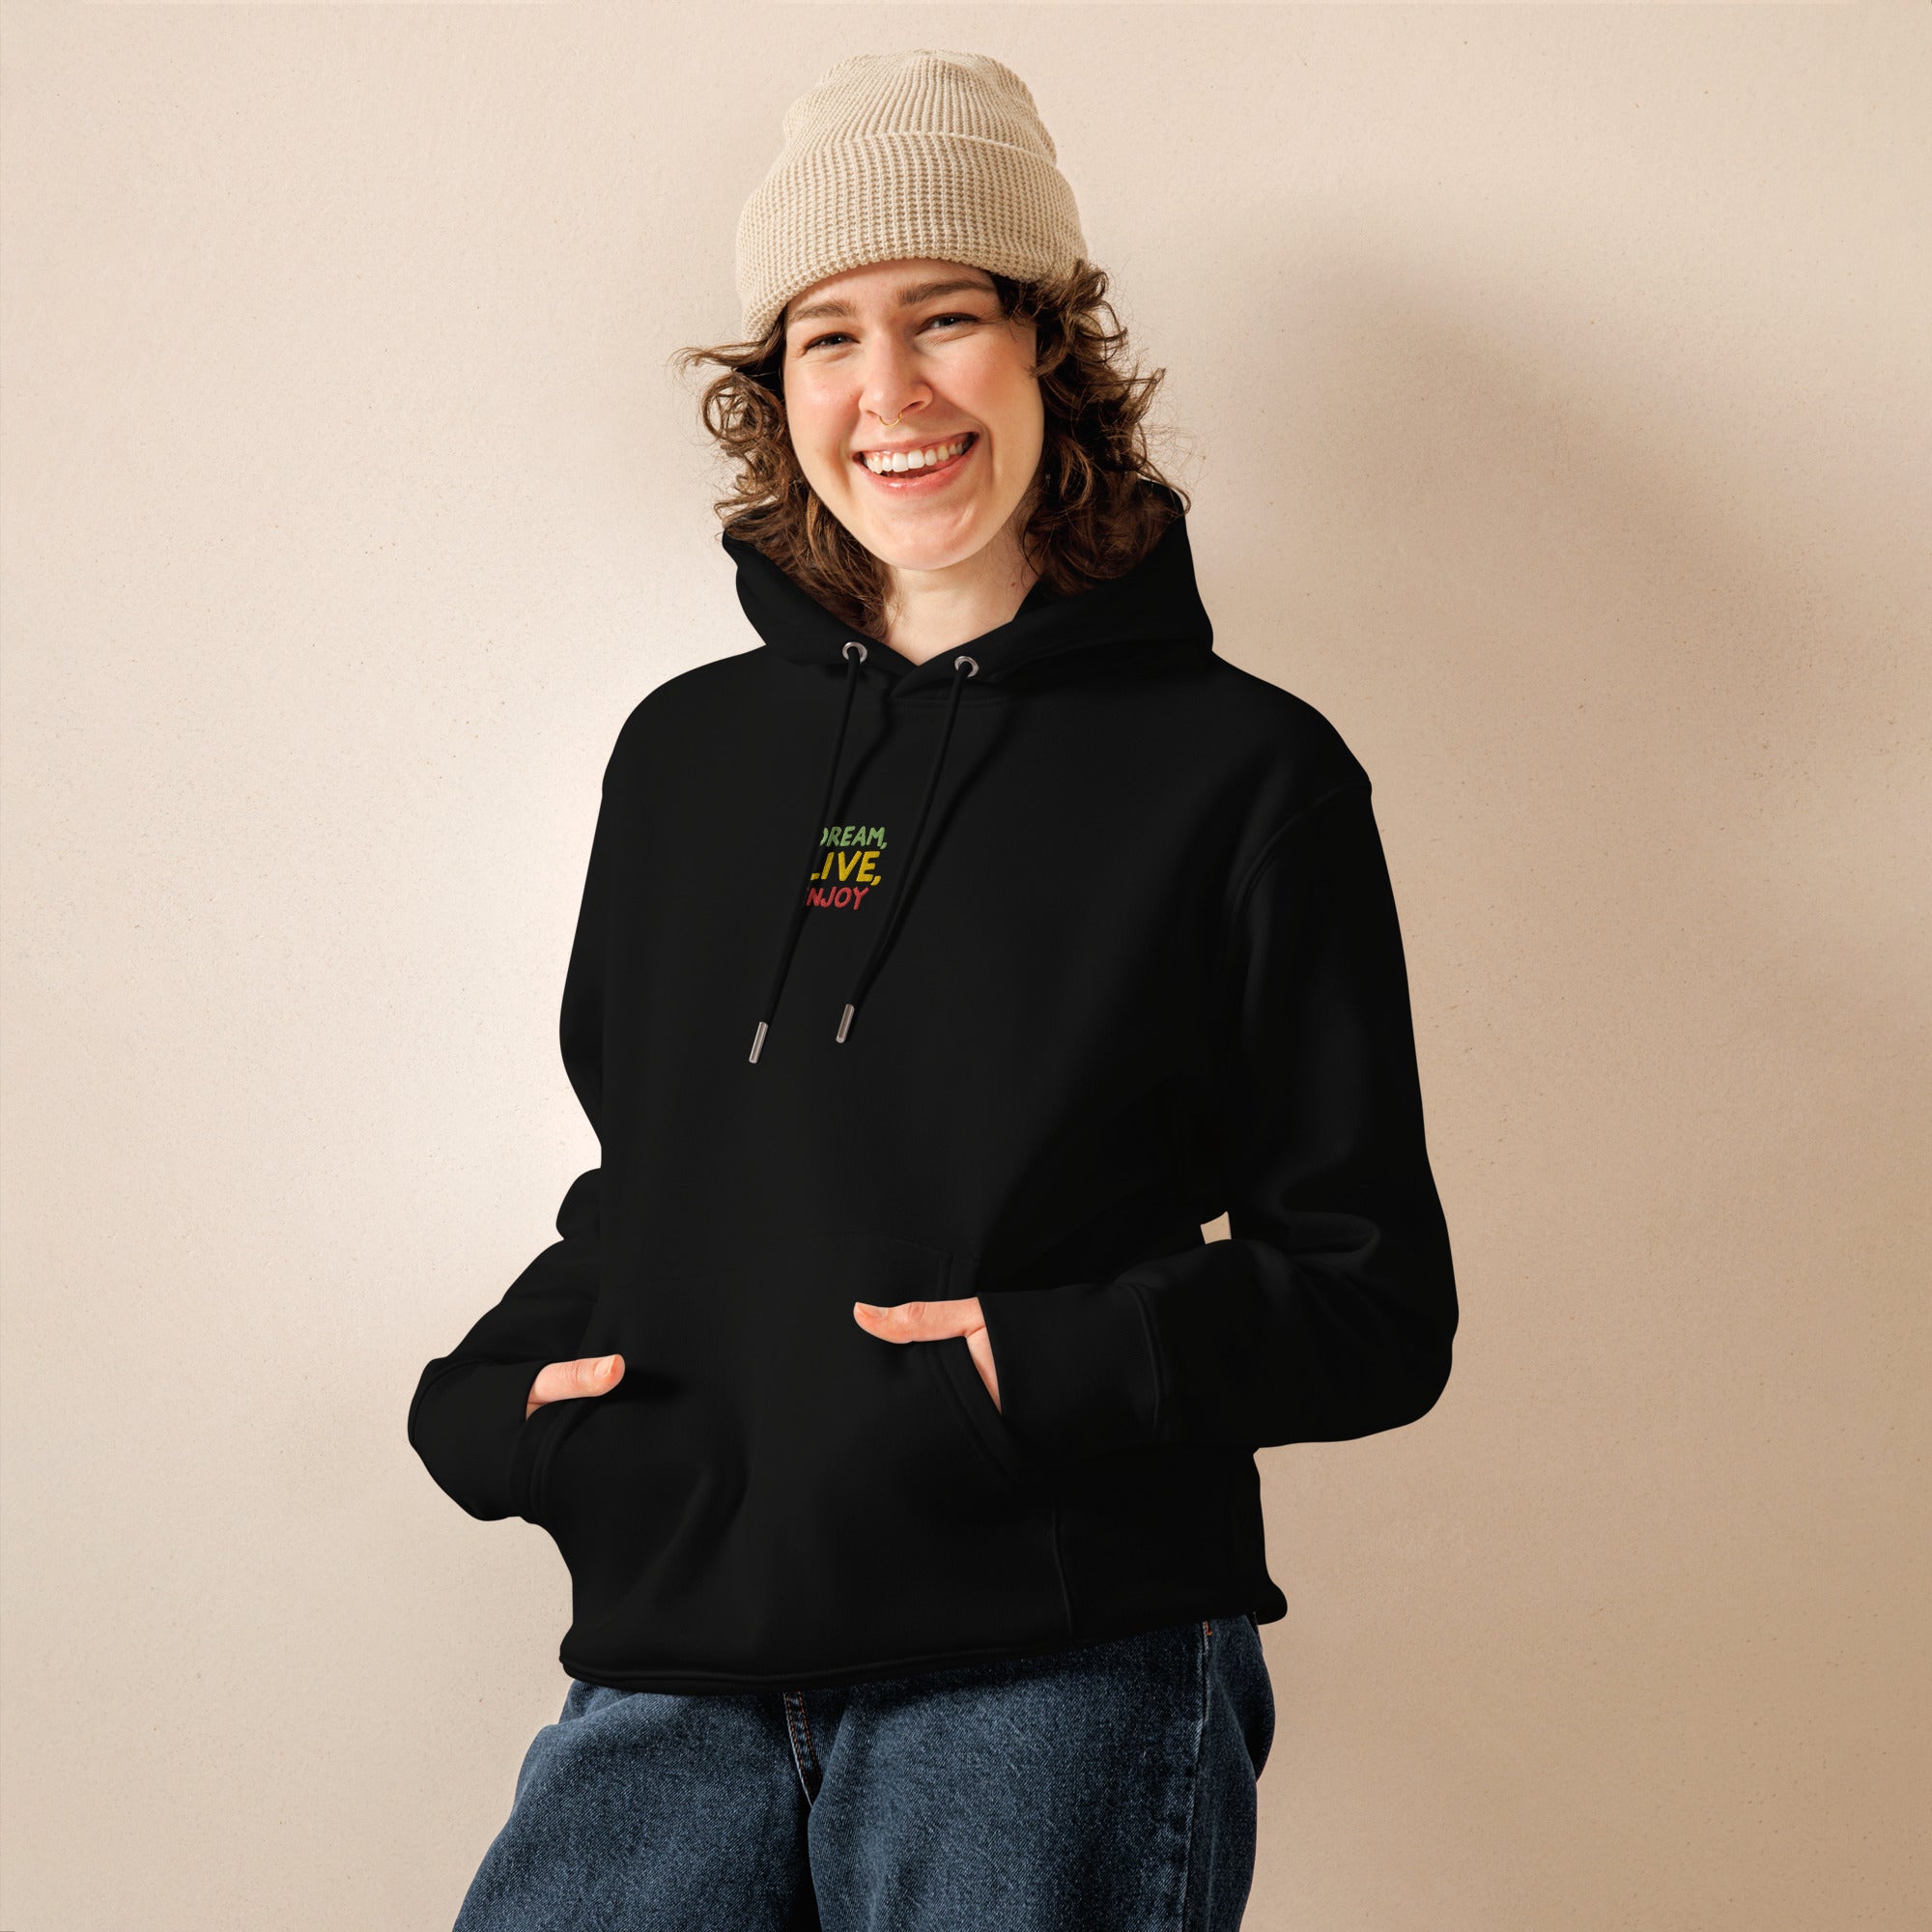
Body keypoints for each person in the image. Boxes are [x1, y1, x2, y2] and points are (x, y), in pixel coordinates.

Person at [408, 46, 1458, 1932]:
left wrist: (1024, 1371)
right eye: (828, 336)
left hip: (1046, 1669)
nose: (888, 389)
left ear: (1050, 349)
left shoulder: (1243, 774)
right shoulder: (684, 760)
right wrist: (497, 1406)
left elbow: (1371, 1299)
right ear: (776, 391)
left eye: (946, 316)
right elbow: (661, 1189)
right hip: (672, 1664)